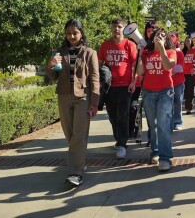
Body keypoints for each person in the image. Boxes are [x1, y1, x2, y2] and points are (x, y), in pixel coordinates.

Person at [46, 19, 100, 187]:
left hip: (83, 97)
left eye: (75, 33)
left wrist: (95, 102)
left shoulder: (90, 53)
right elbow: (52, 77)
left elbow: (95, 78)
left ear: (81, 33)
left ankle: (75, 173)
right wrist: (50, 65)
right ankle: (79, 161)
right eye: (68, 33)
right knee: (70, 134)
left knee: (79, 135)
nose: (71, 36)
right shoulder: (58, 52)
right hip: (63, 96)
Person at [137, 27, 176, 171]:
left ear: (167, 40)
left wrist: (162, 50)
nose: (160, 37)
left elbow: (167, 66)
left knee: (163, 124)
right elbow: (140, 72)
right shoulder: (146, 53)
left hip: (165, 92)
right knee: (152, 125)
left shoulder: (171, 52)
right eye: (157, 35)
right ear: (152, 37)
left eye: (163, 36)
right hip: (148, 92)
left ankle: (165, 158)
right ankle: (155, 151)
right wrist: (140, 54)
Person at [98, 18, 138, 159]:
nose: (116, 29)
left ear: (124, 29)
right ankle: (118, 139)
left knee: (123, 116)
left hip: (124, 86)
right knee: (113, 116)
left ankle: (122, 144)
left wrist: (134, 81)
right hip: (109, 88)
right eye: (114, 26)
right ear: (111, 28)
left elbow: (135, 65)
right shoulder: (105, 45)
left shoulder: (130, 45)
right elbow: (99, 65)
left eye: (119, 26)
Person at [171, 33, 185, 131]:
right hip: (168, 83)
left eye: (173, 41)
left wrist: (168, 68)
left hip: (178, 82)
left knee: (178, 102)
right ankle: (170, 123)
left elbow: (180, 68)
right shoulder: (164, 52)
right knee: (168, 103)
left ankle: (178, 121)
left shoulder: (179, 53)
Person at [182, 37, 195, 115]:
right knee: (185, 90)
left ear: (191, 42)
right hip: (184, 73)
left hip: (192, 73)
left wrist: (194, 68)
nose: (187, 42)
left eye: (188, 41)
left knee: (190, 90)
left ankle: (188, 108)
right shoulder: (183, 51)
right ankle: (188, 104)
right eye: (186, 41)